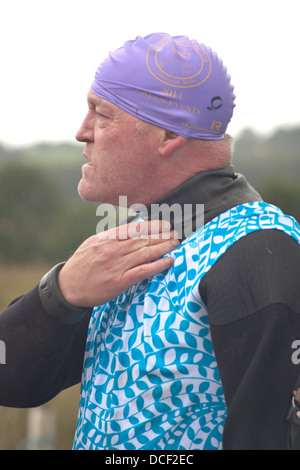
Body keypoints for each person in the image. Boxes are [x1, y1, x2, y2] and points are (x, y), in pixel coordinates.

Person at [1, 32, 300, 450]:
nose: (81, 132)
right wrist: (62, 292)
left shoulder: (259, 249)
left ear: (167, 136)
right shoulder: (126, 250)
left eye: (101, 114)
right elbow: (11, 381)